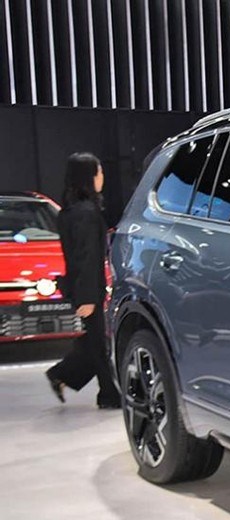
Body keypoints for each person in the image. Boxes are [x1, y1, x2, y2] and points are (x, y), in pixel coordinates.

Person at [46, 153, 121, 409]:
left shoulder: (71, 211)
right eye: (99, 172)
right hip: (87, 288)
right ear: (89, 176)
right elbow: (86, 257)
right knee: (98, 343)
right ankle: (108, 395)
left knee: (96, 341)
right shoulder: (85, 213)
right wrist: (87, 297)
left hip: (83, 285)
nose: (102, 178)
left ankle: (63, 375)